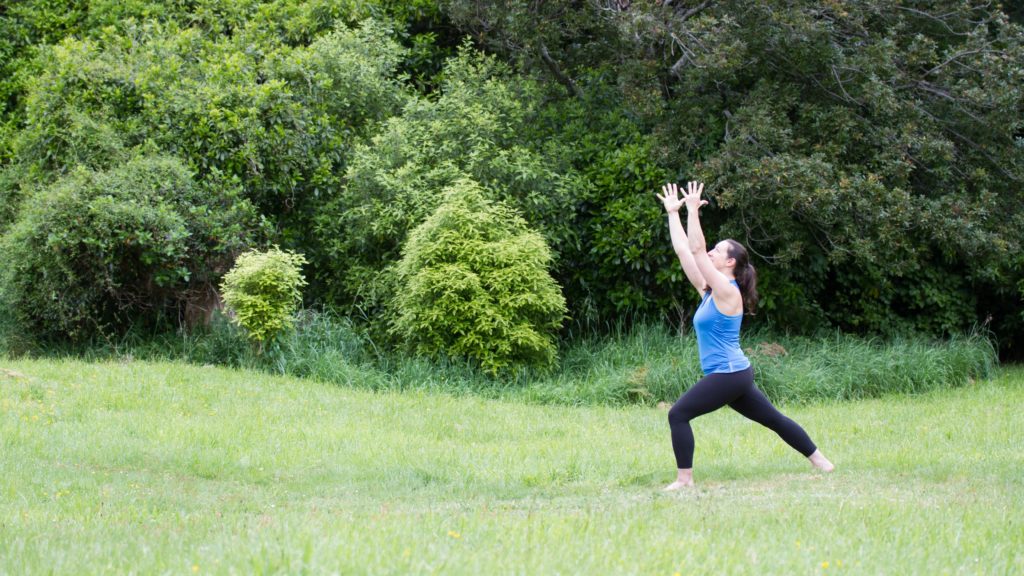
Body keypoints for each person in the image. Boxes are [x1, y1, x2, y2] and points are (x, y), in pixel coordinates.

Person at [655, 181, 834, 491]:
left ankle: (684, 480)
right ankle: (822, 461)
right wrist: (673, 213)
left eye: (717, 251)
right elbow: (686, 251)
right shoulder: (710, 291)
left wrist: (694, 211)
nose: (710, 253)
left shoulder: (727, 291)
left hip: (728, 374)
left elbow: (697, 249)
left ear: (730, 263)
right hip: (734, 373)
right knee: (774, 420)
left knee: (678, 414)